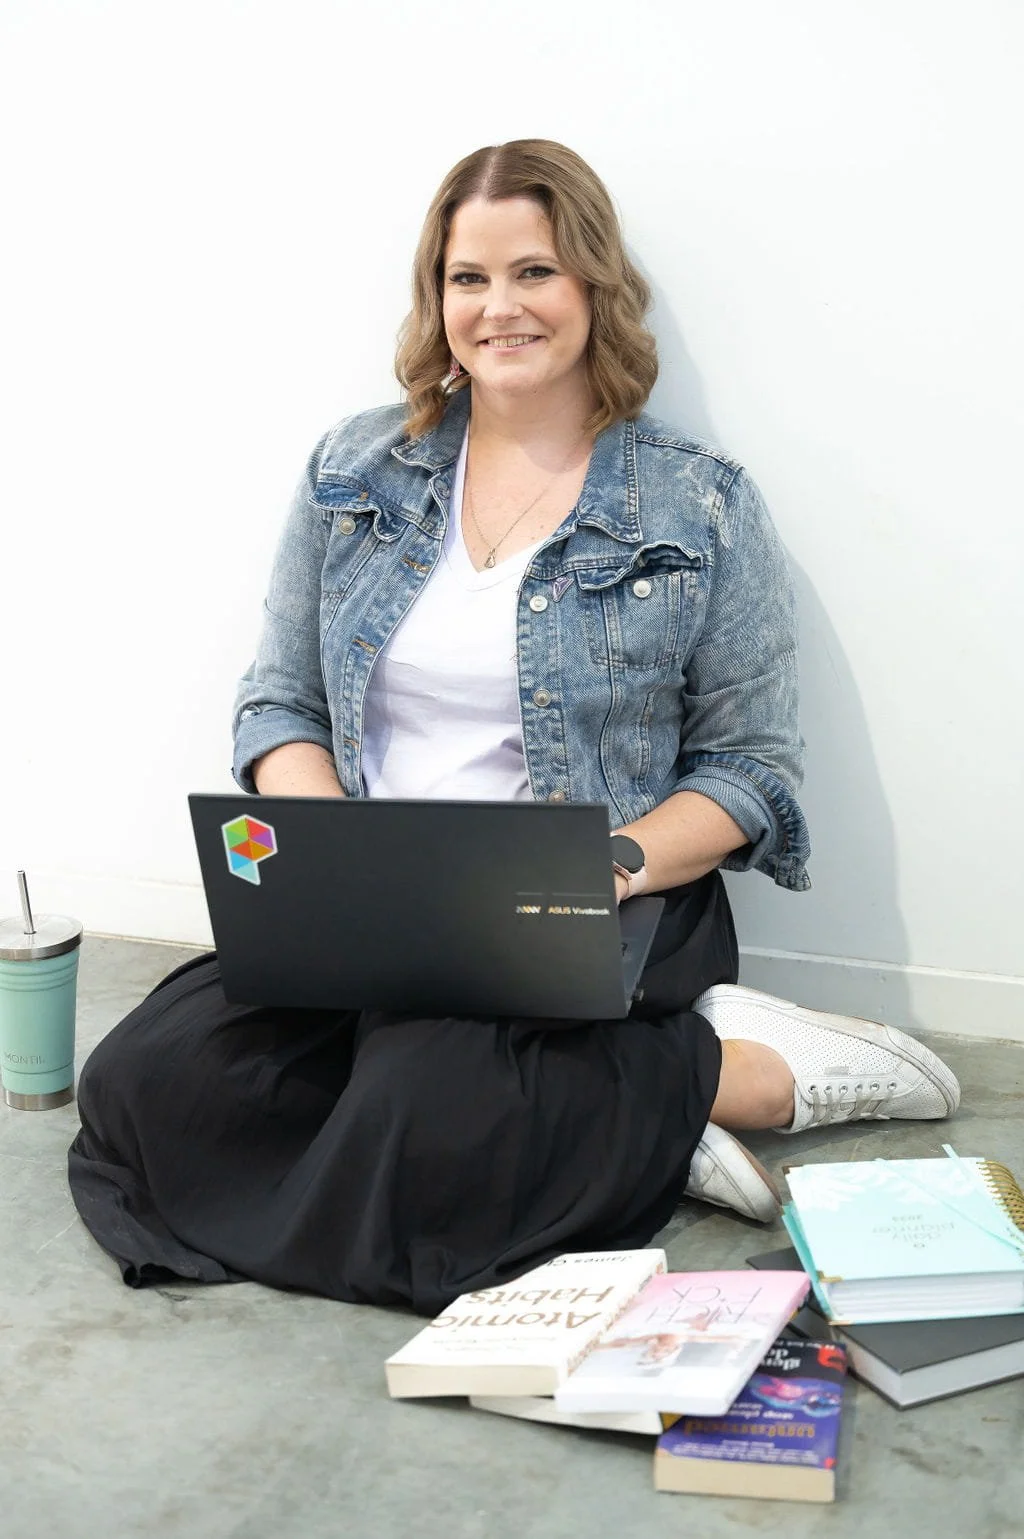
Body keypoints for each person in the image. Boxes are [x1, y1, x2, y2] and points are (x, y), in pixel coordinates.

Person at [67, 140, 960, 1315]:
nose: (498, 309)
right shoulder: (355, 470)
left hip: (595, 894)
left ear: (593, 285)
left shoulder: (696, 501)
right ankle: (651, 1109)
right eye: (466, 278)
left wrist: (611, 869)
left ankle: (746, 1075)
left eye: (533, 272)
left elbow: (750, 770)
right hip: (381, 893)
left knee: (420, 1114)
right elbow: (278, 700)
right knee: (151, 1081)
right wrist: (339, 858)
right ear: (436, 301)